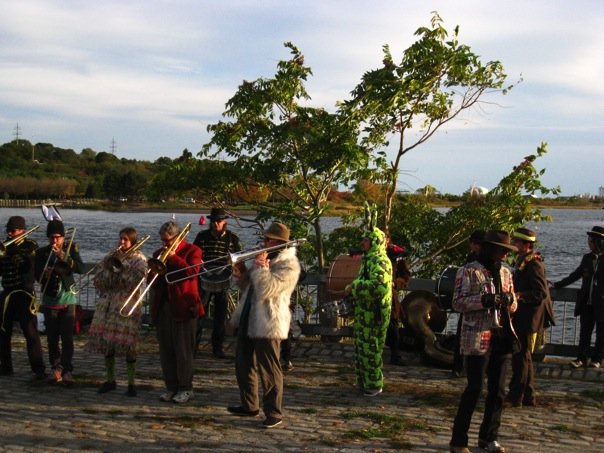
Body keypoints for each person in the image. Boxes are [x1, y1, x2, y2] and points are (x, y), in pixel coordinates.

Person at [449, 230, 518, 453]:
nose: (505, 255)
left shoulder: (507, 273)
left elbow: (514, 304)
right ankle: (459, 440)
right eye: (502, 251)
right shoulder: (468, 271)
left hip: (503, 336)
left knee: (498, 390)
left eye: (507, 251)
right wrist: (484, 301)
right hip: (478, 335)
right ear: (490, 249)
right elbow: (458, 302)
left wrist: (509, 301)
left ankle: (489, 438)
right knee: (475, 388)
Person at [228, 222, 301, 429]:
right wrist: (240, 272)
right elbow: (246, 287)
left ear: (280, 243)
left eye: (269, 240)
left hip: (269, 320)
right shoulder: (265, 258)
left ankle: (274, 413)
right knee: (243, 362)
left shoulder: (290, 264)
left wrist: (261, 268)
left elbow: (268, 288)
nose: (264, 242)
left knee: (269, 368)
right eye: (265, 238)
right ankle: (249, 405)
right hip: (248, 316)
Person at [86, 227, 148, 397]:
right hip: (109, 304)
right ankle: (110, 380)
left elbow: (137, 281)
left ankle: (131, 383)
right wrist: (109, 267)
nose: (122, 242)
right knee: (108, 344)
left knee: (129, 345)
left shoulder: (139, 259)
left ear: (133, 241)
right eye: (121, 238)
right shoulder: (112, 256)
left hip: (128, 305)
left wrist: (124, 266)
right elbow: (99, 280)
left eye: (126, 239)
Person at [150, 221, 203, 404]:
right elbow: (153, 280)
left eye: (167, 241)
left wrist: (173, 257)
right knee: (166, 350)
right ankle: (170, 387)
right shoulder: (158, 253)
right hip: (163, 307)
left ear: (179, 237)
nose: (164, 244)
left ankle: (186, 388)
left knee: (183, 351)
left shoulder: (192, 250)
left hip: (184, 307)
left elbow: (193, 272)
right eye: (162, 240)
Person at [504, 227, 555, 408]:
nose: (513, 245)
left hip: (528, 317)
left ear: (526, 245)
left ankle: (515, 396)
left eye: (516, 242)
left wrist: (519, 295)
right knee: (524, 357)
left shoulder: (534, 264)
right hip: (523, 316)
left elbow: (540, 292)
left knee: (520, 356)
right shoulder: (524, 260)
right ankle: (528, 395)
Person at [34, 219, 84, 386]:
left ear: (63, 237)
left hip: (68, 299)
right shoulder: (41, 253)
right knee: (52, 338)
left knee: (68, 338)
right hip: (49, 300)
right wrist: (44, 274)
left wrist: (63, 256)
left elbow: (80, 268)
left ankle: (67, 369)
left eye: (58, 237)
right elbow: (37, 277)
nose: (55, 241)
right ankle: (56, 369)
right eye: (51, 238)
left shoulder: (71, 249)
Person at [347, 217, 392, 397]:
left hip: (374, 315)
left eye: (366, 240)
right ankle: (364, 382)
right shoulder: (368, 259)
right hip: (363, 314)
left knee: (371, 350)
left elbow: (379, 287)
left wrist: (354, 286)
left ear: (375, 242)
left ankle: (373, 384)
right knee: (361, 350)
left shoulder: (381, 261)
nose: (362, 243)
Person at [193, 207, 243, 358]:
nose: (216, 224)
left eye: (219, 221)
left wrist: (234, 265)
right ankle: (193, 347)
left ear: (224, 222)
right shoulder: (202, 236)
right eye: (214, 221)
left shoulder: (232, 238)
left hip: (223, 279)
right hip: (205, 277)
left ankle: (217, 348)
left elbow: (239, 257)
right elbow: (194, 255)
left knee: (220, 317)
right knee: (199, 314)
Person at [0, 216, 46, 379]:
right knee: (3, 332)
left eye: (13, 231)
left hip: (24, 293)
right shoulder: (4, 247)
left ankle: (38, 369)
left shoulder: (30, 246)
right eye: (8, 230)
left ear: (22, 232)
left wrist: (13, 253)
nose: (10, 234)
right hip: (7, 293)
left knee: (30, 333)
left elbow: (26, 268)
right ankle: (5, 367)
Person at [553, 225, 604, 369]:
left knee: (601, 334)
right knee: (584, 333)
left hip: (601, 303)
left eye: (592, 240)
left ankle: (597, 359)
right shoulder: (587, 258)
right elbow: (576, 275)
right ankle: (581, 358)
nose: (589, 242)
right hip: (586, 303)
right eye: (589, 240)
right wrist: (557, 285)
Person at [452, 230, 486, 378]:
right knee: (463, 336)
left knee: (472, 339)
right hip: (473, 303)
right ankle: (460, 367)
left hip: (477, 302)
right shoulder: (473, 258)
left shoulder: (479, 259)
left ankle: (463, 368)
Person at [385, 234, 410, 366]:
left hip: (390, 295)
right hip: (372, 295)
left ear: (388, 239)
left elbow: (405, 275)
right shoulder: (370, 254)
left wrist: (397, 282)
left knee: (393, 324)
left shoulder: (395, 254)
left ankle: (395, 355)